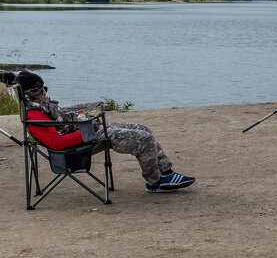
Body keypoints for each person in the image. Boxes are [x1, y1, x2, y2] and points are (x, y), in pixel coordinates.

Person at [11, 70, 195, 192]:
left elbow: (62, 123)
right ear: (33, 92)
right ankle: (155, 181)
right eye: (43, 89)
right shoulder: (35, 114)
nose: (45, 92)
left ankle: (166, 172)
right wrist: (86, 129)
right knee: (143, 139)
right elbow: (56, 143)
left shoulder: (44, 107)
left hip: (84, 131)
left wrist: (85, 121)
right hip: (81, 141)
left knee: (143, 129)